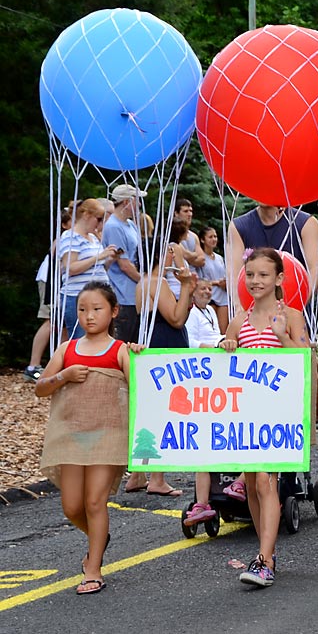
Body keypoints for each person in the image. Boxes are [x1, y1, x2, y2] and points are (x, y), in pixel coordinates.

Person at [35, 281, 138, 595]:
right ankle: (98, 536)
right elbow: (41, 388)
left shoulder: (120, 350)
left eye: (97, 309)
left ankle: (93, 568)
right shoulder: (67, 349)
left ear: (113, 311)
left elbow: (141, 389)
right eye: (82, 310)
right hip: (71, 434)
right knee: (71, 507)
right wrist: (63, 375)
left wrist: (139, 356)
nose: (89, 316)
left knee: (95, 502)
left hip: (108, 435)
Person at [219, 248, 310, 587]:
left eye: (263, 275)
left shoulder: (293, 315)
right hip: (244, 413)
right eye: (251, 275)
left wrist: (284, 335)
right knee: (254, 488)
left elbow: (304, 360)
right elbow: (225, 363)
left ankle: (265, 560)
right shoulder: (239, 319)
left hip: (278, 413)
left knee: (264, 481)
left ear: (279, 279)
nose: (256, 281)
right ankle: (264, 551)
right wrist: (226, 345)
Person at [126, 242, 196, 497]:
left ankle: (138, 474)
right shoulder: (158, 283)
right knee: (165, 408)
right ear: (164, 253)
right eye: (173, 249)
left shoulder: (142, 282)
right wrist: (187, 286)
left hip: (151, 341)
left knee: (148, 407)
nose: (178, 253)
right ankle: (157, 477)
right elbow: (176, 318)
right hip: (164, 342)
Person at [227, 204, 318, 311]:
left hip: (297, 312)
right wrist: (239, 308)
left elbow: (316, 268)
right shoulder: (238, 227)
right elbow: (233, 273)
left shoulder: (306, 223)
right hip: (252, 314)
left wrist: (297, 303)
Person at [57, 198, 118, 339]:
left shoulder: (93, 237)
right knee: (80, 339)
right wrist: (99, 256)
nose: (100, 223)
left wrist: (109, 259)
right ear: (86, 215)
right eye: (98, 219)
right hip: (78, 296)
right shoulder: (70, 236)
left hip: (99, 296)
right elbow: (70, 268)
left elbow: (98, 267)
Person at [25, 209, 72, 381]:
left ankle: (60, 363)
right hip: (51, 282)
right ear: (64, 225)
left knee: (63, 325)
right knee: (51, 321)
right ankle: (33, 365)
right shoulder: (64, 238)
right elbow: (55, 260)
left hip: (58, 282)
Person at [102, 184, 146, 343]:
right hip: (123, 295)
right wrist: (146, 282)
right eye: (137, 200)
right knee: (123, 341)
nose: (139, 204)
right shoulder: (113, 226)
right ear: (127, 202)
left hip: (134, 294)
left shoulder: (131, 225)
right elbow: (124, 264)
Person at [195, 226, 229, 333]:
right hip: (210, 294)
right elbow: (199, 279)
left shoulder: (219, 258)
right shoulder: (201, 258)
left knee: (223, 330)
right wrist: (216, 283)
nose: (214, 239)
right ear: (202, 240)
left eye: (215, 236)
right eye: (210, 237)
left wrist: (225, 282)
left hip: (222, 296)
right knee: (211, 328)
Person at [185, 279, 224, 349]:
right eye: (203, 288)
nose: (207, 291)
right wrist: (212, 348)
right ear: (193, 292)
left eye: (210, 289)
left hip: (218, 347)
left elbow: (216, 334)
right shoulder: (191, 311)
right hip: (204, 353)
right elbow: (189, 341)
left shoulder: (210, 309)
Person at [173, 198, 206, 270]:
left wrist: (188, 257)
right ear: (176, 213)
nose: (189, 214)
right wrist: (195, 255)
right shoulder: (172, 234)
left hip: (194, 277)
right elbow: (185, 255)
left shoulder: (194, 236)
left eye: (191, 211)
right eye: (185, 211)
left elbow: (202, 260)